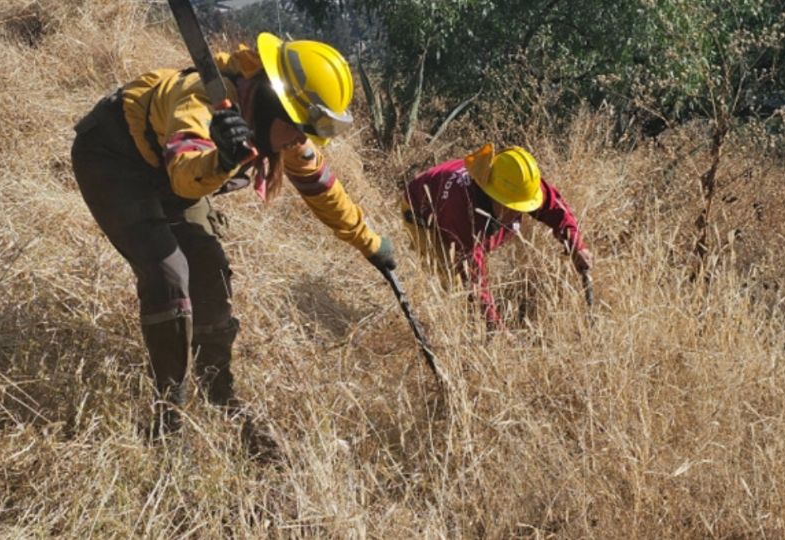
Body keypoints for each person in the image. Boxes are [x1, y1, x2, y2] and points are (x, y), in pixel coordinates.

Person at [70, 33, 396, 436]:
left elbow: (322, 188)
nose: (302, 139)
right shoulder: (200, 98)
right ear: (275, 104)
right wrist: (223, 157)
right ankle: (169, 415)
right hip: (114, 158)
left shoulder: (279, 125)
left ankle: (218, 392)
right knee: (168, 272)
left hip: (171, 172)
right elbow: (187, 177)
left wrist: (371, 243)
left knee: (210, 269)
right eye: (299, 127)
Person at [401, 143, 592, 328]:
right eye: (509, 206)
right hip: (421, 215)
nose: (515, 213)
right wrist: (495, 326)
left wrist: (576, 245)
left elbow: (555, 209)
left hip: (467, 212)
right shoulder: (462, 210)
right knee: (454, 284)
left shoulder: (520, 183)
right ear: (490, 191)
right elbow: (471, 273)